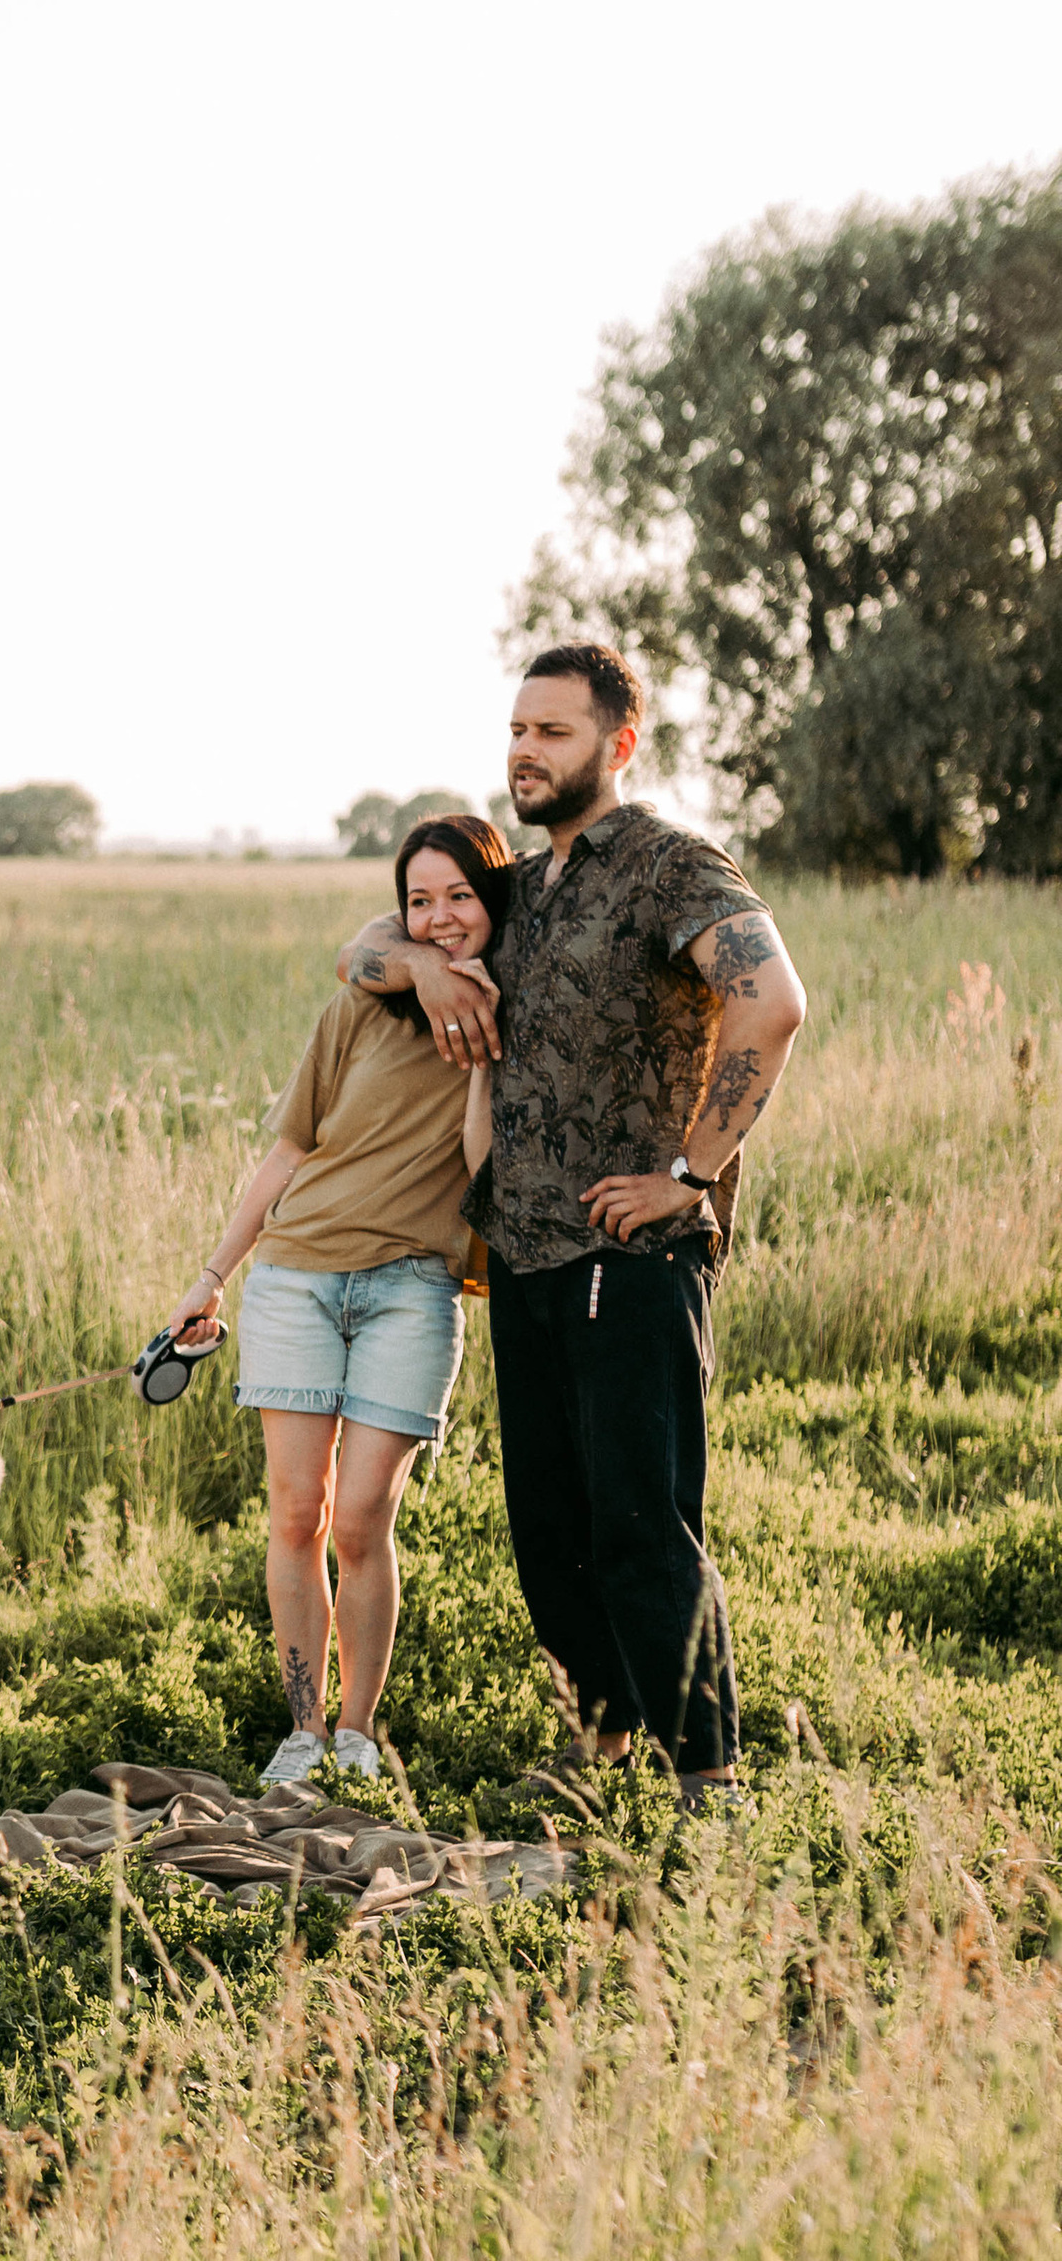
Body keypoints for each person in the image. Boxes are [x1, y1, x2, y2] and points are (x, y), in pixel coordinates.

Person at [336, 642, 809, 1801]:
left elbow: (773, 1001)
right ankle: (599, 1752)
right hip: (526, 1257)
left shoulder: (666, 865)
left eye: (550, 731)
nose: (524, 751)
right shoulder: (526, 891)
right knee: (551, 1538)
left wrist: (691, 1176)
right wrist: (427, 970)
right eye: (514, 730)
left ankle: (712, 1783)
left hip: (631, 1253)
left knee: (641, 1527)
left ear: (617, 744)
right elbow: (365, 948)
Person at [164, 815, 515, 1787]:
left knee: (361, 1519)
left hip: (413, 1288)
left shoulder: (513, 1008)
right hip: (293, 1281)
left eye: (459, 897)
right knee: (293, 1516)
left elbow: (482, 1173)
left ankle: (359, 1730)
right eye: (419, 900)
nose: (440, 918)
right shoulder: (360, 1005)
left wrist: (482, 1052)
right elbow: (288, 1150)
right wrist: (211, 1276)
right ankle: (305, 1728)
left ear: (494, 901)